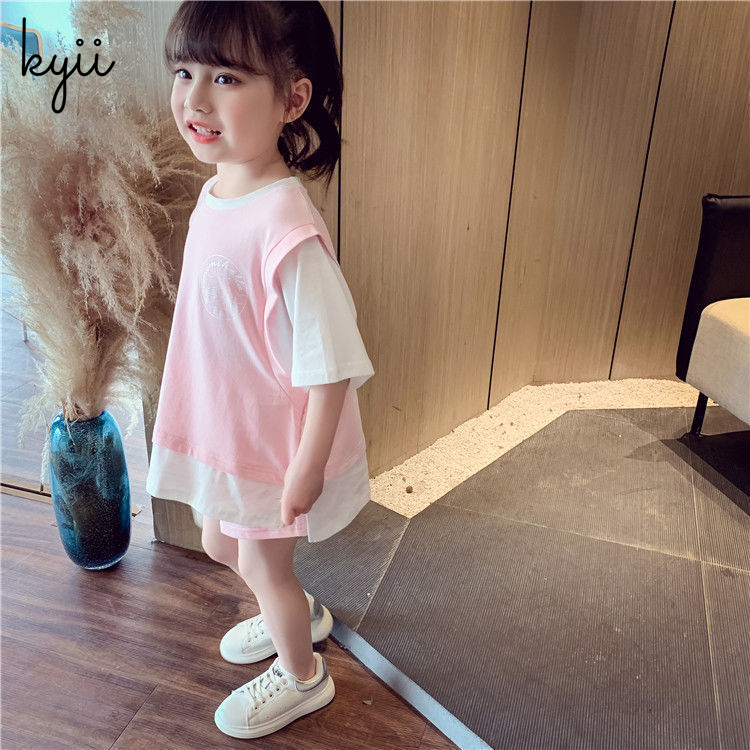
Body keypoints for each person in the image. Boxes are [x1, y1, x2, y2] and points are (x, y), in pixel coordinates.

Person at [145, 1, 375, 739]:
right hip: (227, 425)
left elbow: (331, 363)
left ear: (292, 100)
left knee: (263, 564)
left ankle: (303, 675)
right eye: (185, 71)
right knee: (219, 541)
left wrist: (307, 465)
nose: (194, 99)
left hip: (273, 445)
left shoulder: (287, 225)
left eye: (226, 78)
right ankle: (299, 616)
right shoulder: (217, 190)